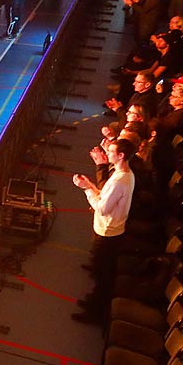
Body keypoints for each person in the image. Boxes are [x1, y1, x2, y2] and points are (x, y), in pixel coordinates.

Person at [72, 135, 136, 325]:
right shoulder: (125, 174)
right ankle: (94, 303)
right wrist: (91, 185)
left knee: (102, 276)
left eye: (111, 151)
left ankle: (96, 312)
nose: (107, 152)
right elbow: (106, 197)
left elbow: (102, 208)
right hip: (111, 230)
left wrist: (86, 189)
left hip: (107, 233)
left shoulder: (119, 181)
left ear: (121, 155)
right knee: (102, 271)